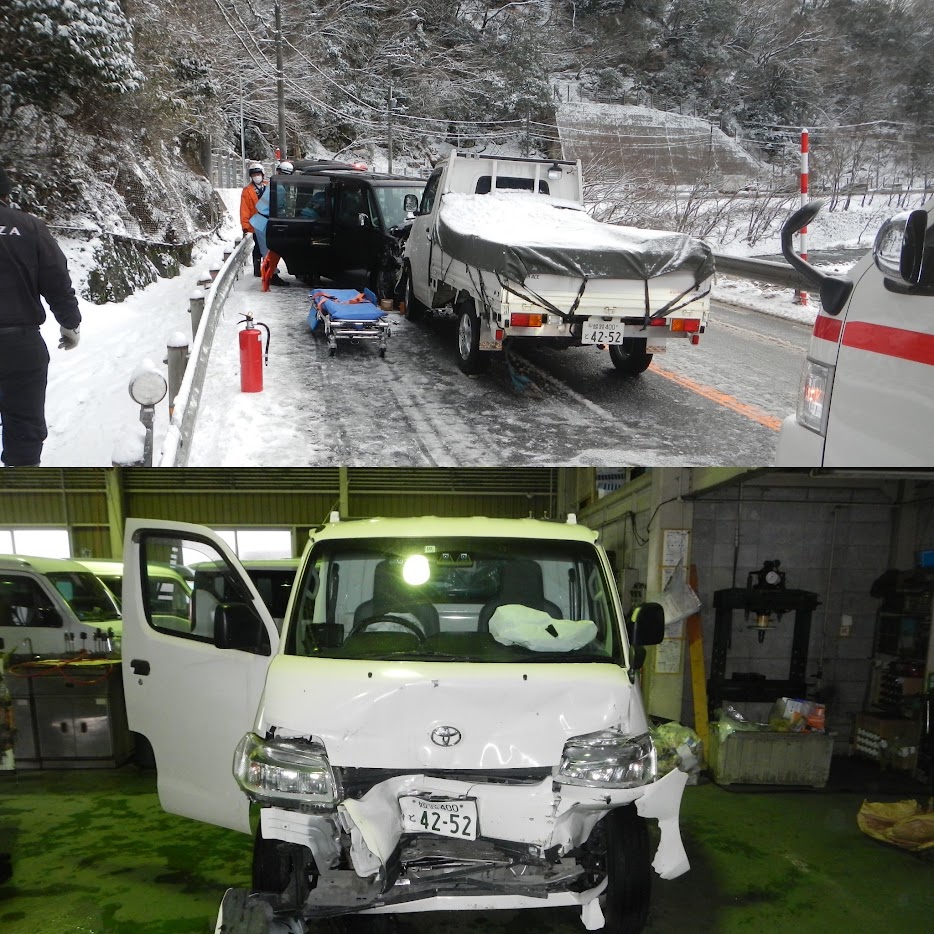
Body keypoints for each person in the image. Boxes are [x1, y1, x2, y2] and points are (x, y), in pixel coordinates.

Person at [0, 165, 81, 467]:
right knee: (23, 425)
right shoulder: (29, 228)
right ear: (6, 194)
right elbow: (56, 279)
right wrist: (69, 323)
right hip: (20, 346)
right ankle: (23, 498)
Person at [251, 162, 293, 288]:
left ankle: (271, 274)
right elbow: (279, 207)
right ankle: (270, 277)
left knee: (268, 251)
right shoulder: (279, 187)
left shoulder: (274, 184)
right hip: (264, 221)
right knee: (269, 252)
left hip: (261, 220)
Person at [239, 163, 267, 277]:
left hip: (269, 221)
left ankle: (268, 266)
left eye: (258, 174)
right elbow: (244, 209)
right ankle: (257, 267)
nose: (256, 176)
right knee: (258, 246)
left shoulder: (268, 186)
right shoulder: (247, 191)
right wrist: (245, 225)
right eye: (254, 174)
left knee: (268, 245)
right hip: (256, 222)